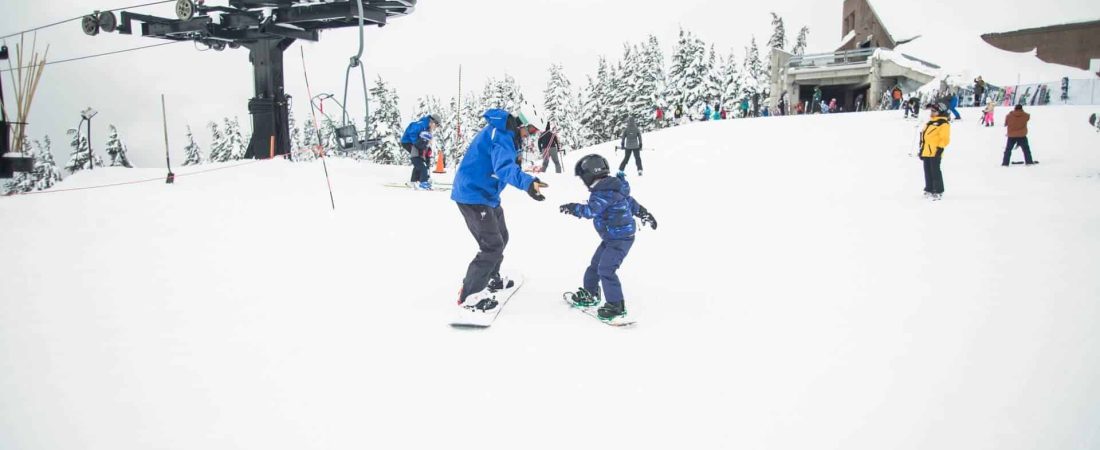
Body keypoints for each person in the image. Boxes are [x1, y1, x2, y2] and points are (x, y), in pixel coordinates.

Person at [451, 108, 549, 312]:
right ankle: (470, 296)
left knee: (501, 237)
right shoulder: (502, 135)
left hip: (487, 195)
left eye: (534, 132)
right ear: (521, 123)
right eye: (531, 130)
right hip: (473, 195)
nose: (531, 135)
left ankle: (491, 278)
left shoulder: (510, 136)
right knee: (491, 245)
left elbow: (510, 166)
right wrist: (529, 184)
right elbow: (503, 168)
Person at [560, 154, 657, 321]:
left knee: (606, 269)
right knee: (595, 265)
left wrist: (572, 208)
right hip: (612, 237)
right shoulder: (614, 187)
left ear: (589, 175)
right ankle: (590, 293)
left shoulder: (602, 192)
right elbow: (631, 203)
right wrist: (645, 214)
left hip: (620, 239)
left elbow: (590, 211)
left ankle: (616, 306)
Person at [919, 103, 951, 200]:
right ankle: (929, 188)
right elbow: (923, 137)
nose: (931, 113)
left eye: (934, 111)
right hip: (926, 151)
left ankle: (938, 190)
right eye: (931, 111)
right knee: (927, 171)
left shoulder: (943, 123)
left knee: (935, 171)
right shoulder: (930, 122)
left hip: (935, 151)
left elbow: (945, 139)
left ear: (940, 112)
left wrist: (940, 149)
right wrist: (921, 149)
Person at [400, 114, 441, 189]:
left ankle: (415, 180)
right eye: (437, 125)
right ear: (433, 122)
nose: (436, 128)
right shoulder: (422, 124)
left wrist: (426, 147)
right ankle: (419, 180)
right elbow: (412, 132)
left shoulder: (427, 126)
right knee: (418, 159)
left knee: (420, 160)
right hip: (407, 142)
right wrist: (416, 143)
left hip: (415, 143)